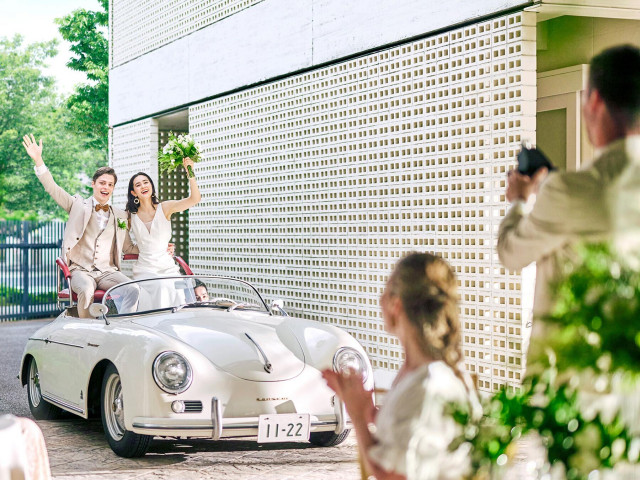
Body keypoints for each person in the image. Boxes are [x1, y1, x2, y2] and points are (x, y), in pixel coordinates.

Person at [497, 45, 640, 338]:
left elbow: (510, 253)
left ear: (595, 101)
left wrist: (519, 200)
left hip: (571, 361)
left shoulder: (567, 190)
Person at [323, 253, 480, 480]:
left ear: (395, 304)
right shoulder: (420, 374)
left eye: (385, 290)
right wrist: (367, 410)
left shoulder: (428, 385)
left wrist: (357, 415)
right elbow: (408, 432)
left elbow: (392, 476)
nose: (379, 299)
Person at [22, 134, 139, 318]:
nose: (105, 187)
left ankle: (124, 325)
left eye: (110, 184)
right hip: (81, 271)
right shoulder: (77, 205)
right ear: (93, 184)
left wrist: (158, 248)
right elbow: (53, 188)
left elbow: (128, 248)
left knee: (133, 289)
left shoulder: (121, 215)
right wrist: (38, 160)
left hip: (108, 272)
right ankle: (85, 329)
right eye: (102, 183)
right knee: (86, 289)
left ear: (113, 188)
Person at [125, 158, 201, 280]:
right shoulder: (130, 216)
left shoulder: (165, 208)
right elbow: (124, 245)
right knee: (159, 286)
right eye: (138, 185)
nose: (143, 186)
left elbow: (194, 199)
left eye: (146, 182)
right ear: (134, 192)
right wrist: (147, 249)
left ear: (151, 186)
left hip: (167, 268)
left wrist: (190, 172)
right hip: (144, 270)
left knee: (170, 285)